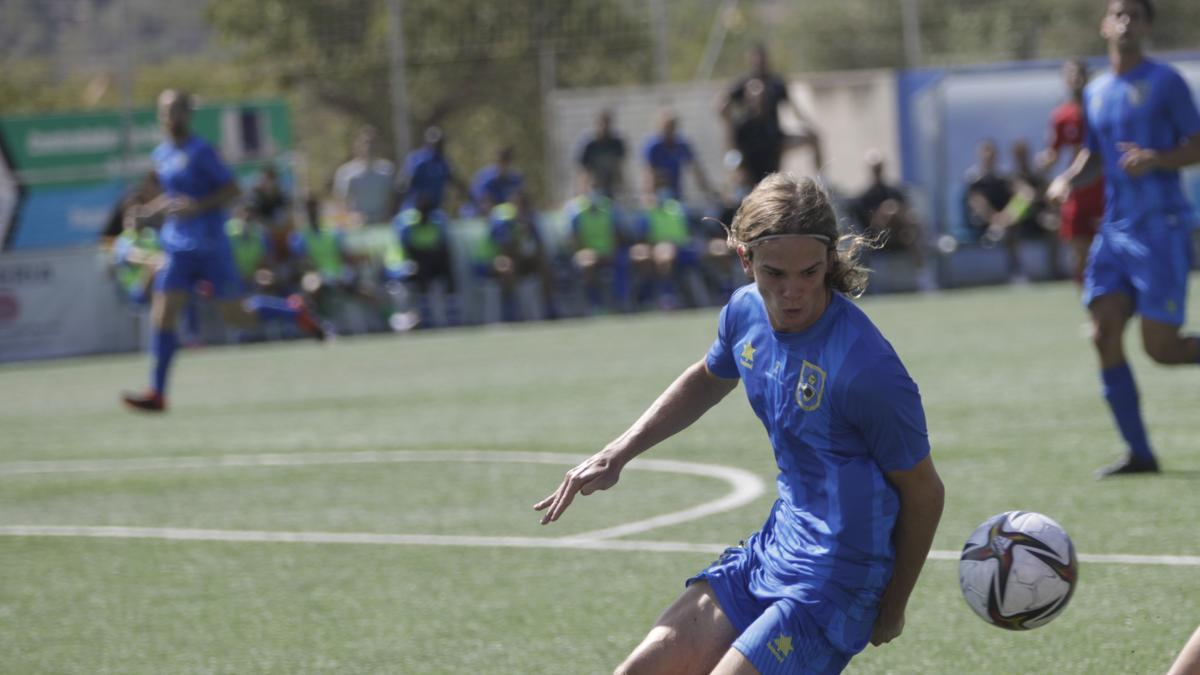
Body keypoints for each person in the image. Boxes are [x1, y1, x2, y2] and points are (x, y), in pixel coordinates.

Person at [535, 173, 945, 674]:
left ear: (829, 261)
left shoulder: (866, 368)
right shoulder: (743, 312)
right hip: (774, 549)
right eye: (775, 274)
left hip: (837, 580)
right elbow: (709, 379)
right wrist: (619, 451)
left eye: (810, 273)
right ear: (744, 258)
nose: (793, 292)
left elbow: (924, 491)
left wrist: (892, 606)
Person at [1046, 0, 1200, 477]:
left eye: (1137, 14)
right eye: (1119, 13)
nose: (1127, 21)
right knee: (1103, 331)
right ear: (1104, 25)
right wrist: (1068, 179)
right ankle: (1140, 453)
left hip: (1160, 227)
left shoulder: (1167, 82)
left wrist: (1156, 157)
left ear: (1148, 26)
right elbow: (1094, 153)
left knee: (1160, 347)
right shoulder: (1097, 92)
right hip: (1113, 231)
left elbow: (1196, 143)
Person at [120, 89, 325, 413]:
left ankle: (293, 311)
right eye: (164, 111)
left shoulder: (202, 151)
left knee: (237, 316)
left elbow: (232, 189)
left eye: (176, 111)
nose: (170, 118)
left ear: (188, 114)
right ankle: (157, 393)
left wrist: (199, 206)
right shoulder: (161, 154)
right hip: (177, 246)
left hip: (211, 244)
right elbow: (174, 197)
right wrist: (150, 211)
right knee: (163, 314)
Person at [719, 43, 823, 187]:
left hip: (774, 137)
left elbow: (794, 108)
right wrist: (725, 119)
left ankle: (823, 181)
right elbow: (723, 105)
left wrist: (808, 124)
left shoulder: (777, 83)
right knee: (734, 161)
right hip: (752, 147)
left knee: (812, 138)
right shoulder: (743, 123)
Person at [1040, 58, 1106, 285]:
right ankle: (1091, 309)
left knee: (1109, 253)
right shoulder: (1061, 116)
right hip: (1077, 193)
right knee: (1079, 254)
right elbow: (1054, 151)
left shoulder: (1100, 108)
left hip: (1105, 191)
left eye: (1079, 73)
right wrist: (1044, 163)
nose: (1075, 79)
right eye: (1070, 74)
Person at [851, 150, 934, 291]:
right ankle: (924, 278)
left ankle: (923, 277)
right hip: (876, 237)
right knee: (890, 210)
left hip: (900, 235)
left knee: (908, 232)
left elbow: (908, 213)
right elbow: (867, 225)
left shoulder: (893, 191)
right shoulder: (865, 197)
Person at [963, 138, 1028, 282]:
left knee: (1013, 224)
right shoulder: (974, 178)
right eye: (985, 154)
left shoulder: (1004, 176)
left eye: (991, 154)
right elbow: (976, 203)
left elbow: (1024, 194)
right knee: (981, 204)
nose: (988, 158)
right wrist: (994, 219)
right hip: (982, 223)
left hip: (1006, 221)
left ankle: (1016, 272)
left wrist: (1006, 216)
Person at [393, 192, 460, 327]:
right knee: (420, 271)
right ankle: (426, 317)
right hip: (416, 264)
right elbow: (408, 250)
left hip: (433, 261)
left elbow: (444, 248)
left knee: (447, 270)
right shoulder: (408, 225)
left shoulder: (437, 222)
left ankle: (453, 316)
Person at [643, 111, 719, 204]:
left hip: (677, 194)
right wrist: (650, 195)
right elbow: (649, 172)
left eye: (672, 126)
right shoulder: (653, 147)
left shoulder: (681, 145)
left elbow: (696, 170)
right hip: (659, 194)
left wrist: (709, 191)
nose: (669, 130)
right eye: (666, 127)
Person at [333, 126, 396, 226]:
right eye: (365, 143)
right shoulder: (345, 173)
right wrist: (351, 218)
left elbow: (392, 201)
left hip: (382, 226)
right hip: (357, 227)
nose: (369, 147)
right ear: (357, 145)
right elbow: (341, 204)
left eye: (372, 143)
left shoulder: (388, 170)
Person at [397, 126, 470, 213]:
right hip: (414, 210)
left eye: (441, 143)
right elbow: (402, 184)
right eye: (438, 144)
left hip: (434, 212)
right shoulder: (417, 159)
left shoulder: (443, 163)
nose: (440, 146)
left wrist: (470, 196)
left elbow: (456, 182)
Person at [576, 108, 628, 200]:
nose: (604, 127)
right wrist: (583, 191)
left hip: (611, 186)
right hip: (593, 186)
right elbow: (584, 171)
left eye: (607, 124)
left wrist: (622, 188)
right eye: (602, 124)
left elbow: (619, 168)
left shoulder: (616, 144)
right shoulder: (589, 145)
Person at [470, 146, 524, 214]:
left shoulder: (515, 179)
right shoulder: (485, 178)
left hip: (506, 214)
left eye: (505, 161)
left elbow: (518, 199)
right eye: (500, 161)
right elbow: (481, 200)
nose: (502, 164)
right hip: (481, 214)